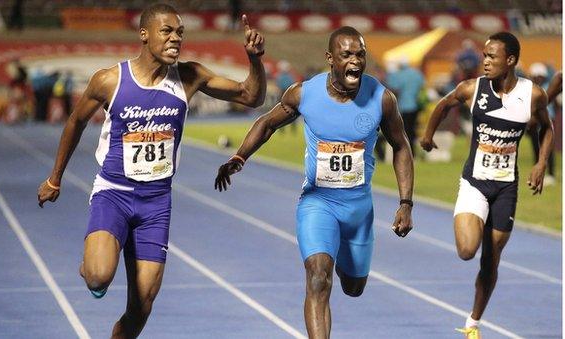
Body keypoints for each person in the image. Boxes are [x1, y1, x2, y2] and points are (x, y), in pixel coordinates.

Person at [37, 3, 266, 338]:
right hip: (114, 193)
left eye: (180, 33)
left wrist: (255, 59)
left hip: (156, 203)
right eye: (167, 31)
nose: (176, 39)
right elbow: (76, 121)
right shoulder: (110, 80)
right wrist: (54, 178)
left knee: (142, 305)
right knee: (99, 277)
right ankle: (90, 264)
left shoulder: (190, 77)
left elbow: (252, 96)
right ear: (144, 35)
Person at [215, 26, 414, 338]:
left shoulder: (381, 99)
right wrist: (239, 157)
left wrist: (406, 203)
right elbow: (267, 123)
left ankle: (348, 260)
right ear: (329, 58)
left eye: (360, 54)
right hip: (317, 204)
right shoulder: (304, 93)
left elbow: (401, 146)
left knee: (353, 287)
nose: (355, 61)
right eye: (347, 54)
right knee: (318, 277)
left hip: (358, 210)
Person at [420, 32, 553, 339]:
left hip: (506, 188)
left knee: (490, 260)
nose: (486, 61)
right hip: (475, 183)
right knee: (468, 249)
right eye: (485, 55)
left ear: (511, 61)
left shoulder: (533, 95)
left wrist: (541, 162)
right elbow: (443, 104)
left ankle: (472, 324)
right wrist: (427, 137)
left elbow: (547, 128)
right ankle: (474, 219)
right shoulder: (471, 88)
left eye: (493, 56)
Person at [386, 57, 425, 155]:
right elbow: (422, 86)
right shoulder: (416, 74)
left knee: (404, 131)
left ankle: (407, 152)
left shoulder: (398, 75)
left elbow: (393, 88)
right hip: (416, 106)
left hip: (403, 106)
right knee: (412, 129)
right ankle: (413, 152)